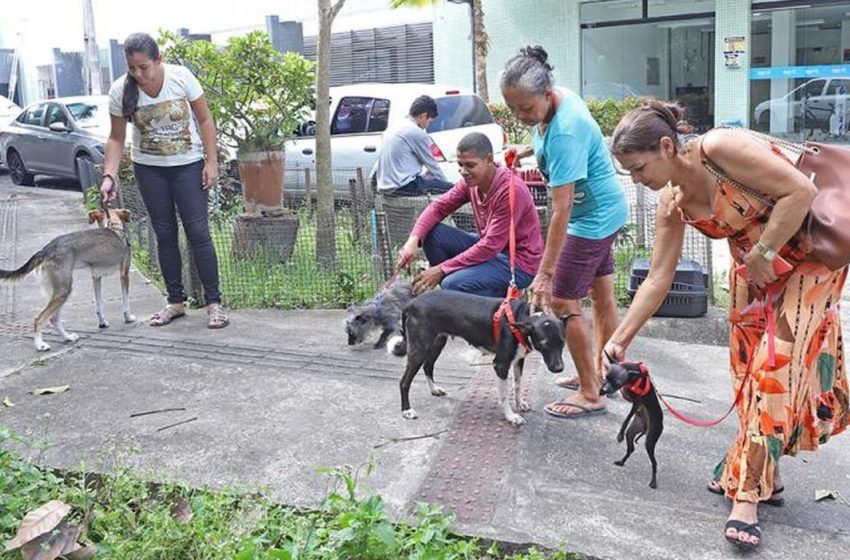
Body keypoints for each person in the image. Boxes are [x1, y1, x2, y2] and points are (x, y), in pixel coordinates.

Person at [606, 100, 848, 551]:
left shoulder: (719, 148)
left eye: (639, 168)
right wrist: (618, 339)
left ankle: (747, 496)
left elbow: (800, 191)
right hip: (754, 272)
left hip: (806, 263)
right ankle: (766, 475)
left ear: (666, 146)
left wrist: (763, 253)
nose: (636, 180)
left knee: (774, 371)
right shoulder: (670, 201)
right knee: (745, 374)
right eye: (630, 174)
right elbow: (659, 277)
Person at [500, 46, 628, 418]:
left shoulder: (566, 132)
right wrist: (528, 148)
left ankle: (591, 392)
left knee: (562, 302)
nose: (520, 116)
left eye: (525, 108)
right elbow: (547, 136)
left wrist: (545, 273)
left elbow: (561, 209)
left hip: (592, 218)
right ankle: (605, 371)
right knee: (601, 297)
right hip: (604, 210)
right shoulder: (559, 102)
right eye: (513, 109)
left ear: (545, 93)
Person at [100, 32, 228, 329]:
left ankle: (214, 303)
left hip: (188, 166)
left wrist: (211, 161)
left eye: (144, 67)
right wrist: (110, 175)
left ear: (159, 60)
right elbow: (116, 138)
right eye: (132, 68)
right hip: (150, 169)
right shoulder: (121, 91)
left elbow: (205, 120)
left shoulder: (181, 78)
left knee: (198, 232)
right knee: (165, 233)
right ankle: (175, 301)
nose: (138, 74)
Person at [396, 132, 542, 297]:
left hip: (519, 264)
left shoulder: (510, 191)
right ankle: (459, 294)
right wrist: (413, 241)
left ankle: (499, 303)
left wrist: (442, 269)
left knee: (452, 283)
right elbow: (438, 207)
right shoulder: (471, 182)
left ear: (489, 159)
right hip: (493, 251)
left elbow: (490, 246)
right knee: (432, 234)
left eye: (470, 165)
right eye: (460, 164)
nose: (463, 171)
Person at [376, 95, 454, 196]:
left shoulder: (396, 126)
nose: (427, 125)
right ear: (423, 116)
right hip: (403, 185)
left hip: (386, 185)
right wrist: (447, 185)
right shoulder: (416, 132)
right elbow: (433, 166)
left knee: (429, 180)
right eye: (429, 121)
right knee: (451, 188)